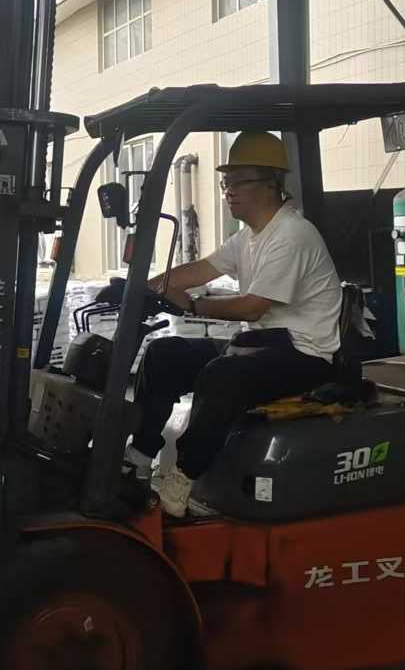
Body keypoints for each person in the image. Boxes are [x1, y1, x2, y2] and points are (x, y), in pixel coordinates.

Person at [125, 130, 342, 517]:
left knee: (221, 375)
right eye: (226, 182)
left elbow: (253, 308)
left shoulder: (292, 234)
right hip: (261, 345)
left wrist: (194, 305)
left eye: (239, 182)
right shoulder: (249, 237)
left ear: (272, 183)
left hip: (305, 355)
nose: (228, 191)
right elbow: (201, 269)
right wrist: (142, 288)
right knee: (163, 354)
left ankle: (182, 478)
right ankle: (138, 458)